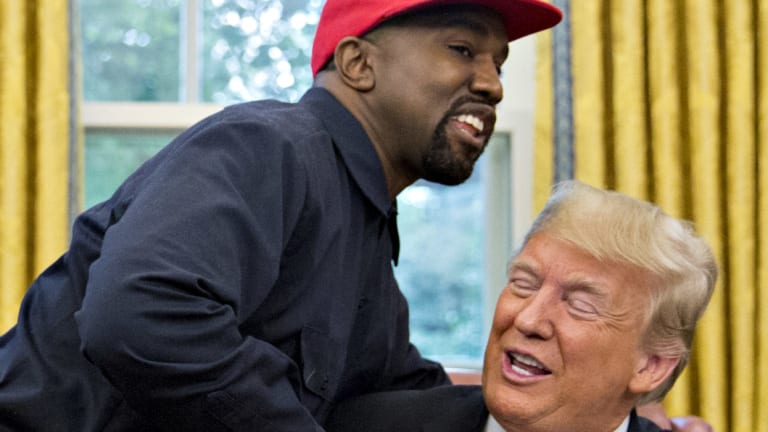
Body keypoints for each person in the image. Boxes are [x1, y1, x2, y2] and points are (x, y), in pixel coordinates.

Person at [0, 1, 563, 431]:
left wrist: (590, 409)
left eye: (499, 63)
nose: (492, 83)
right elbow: (140, 310)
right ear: (358, 63)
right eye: (463, 50)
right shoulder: (272, 147)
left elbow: (387, 396)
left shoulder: (365, 229)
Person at [324, 180, 717, 432]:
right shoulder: (366, 424)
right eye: (523, 284)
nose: (527, 318)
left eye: (579, 304)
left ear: (649, 367)